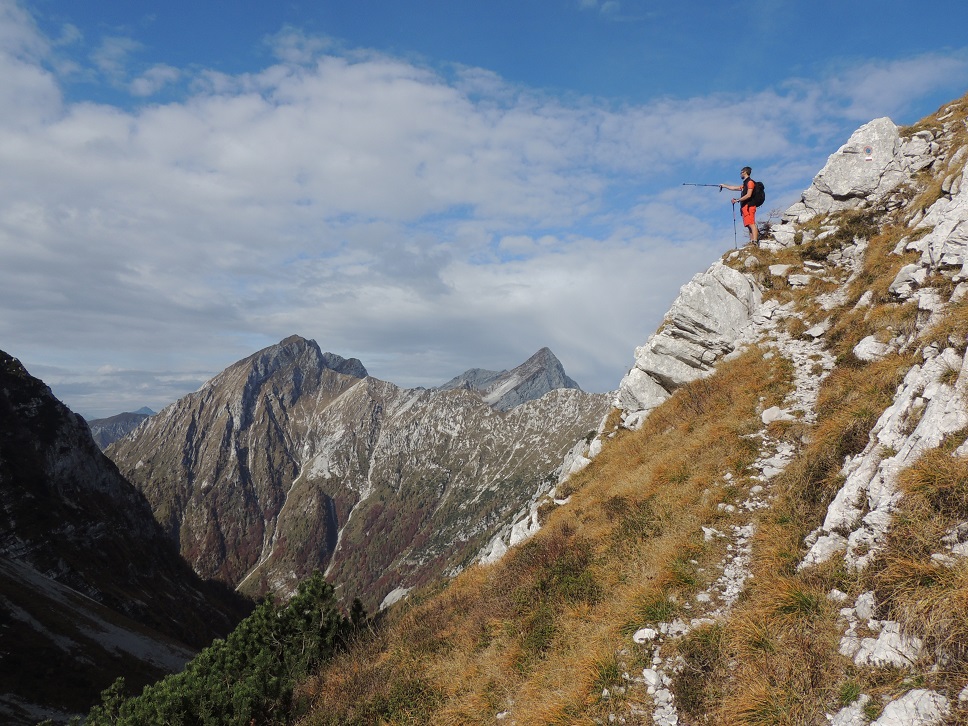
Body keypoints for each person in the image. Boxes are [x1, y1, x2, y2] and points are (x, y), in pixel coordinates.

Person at [720, 167, 758, 246]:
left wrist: (738, 200)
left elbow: (749, 195)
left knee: (751, 224)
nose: (740, 174)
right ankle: (752, 242)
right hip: (745, 207)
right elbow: (734, 188)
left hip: (749, 206)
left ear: (745, 172)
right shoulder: (745, 184)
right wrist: (724, 186)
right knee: (748, 225)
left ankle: (755, 241)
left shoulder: (750, 182)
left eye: (741, 172)